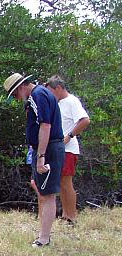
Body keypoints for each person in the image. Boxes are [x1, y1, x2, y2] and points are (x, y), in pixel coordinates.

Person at [3, 73, 64, 247]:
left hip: (49, 149)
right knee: (43, 192)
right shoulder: (38, 95)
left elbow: (45, 126)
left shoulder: (38, 96)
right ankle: (43, 234)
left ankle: (44, 239)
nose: (16, 98)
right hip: (45, 148)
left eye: (15, 94)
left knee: (48, 194)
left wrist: (41, 156)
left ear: (21, 87)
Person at [45, 75, 90, 225]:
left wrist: (69, 135)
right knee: (60, 183)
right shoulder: (59, 103)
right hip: (58, 149)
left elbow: (85, 120)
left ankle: (71, 216)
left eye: (51, 91)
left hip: (68, 150)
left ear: (58, 88)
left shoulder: (72, 101)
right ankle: (65, 215)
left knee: (66, 182)